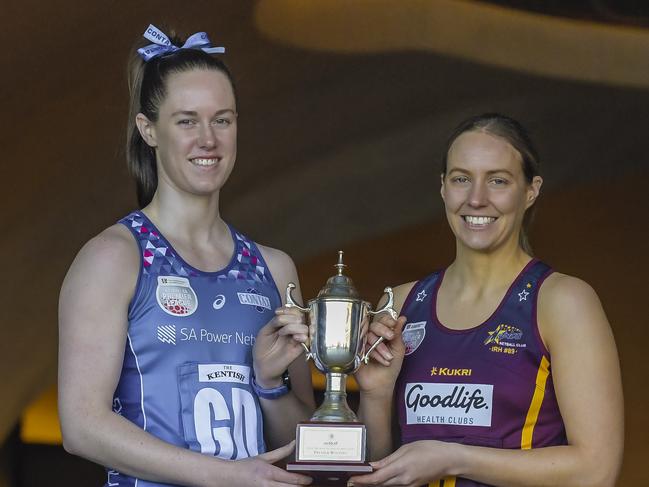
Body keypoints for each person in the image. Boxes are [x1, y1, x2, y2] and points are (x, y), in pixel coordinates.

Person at [58, 25, 314, 487]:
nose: (208, 139)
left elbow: (304, 442)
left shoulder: (274, 268)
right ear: (148, 130)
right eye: (186, 120)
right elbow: (81, 427)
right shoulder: (114, 258)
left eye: (222, 119)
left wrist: (269, 385)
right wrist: (225, 476)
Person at [352, 113, 624, 487]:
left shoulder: (562, 301)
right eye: (462, 179)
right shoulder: (399, 303)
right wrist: (375, 395)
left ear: (531, 190)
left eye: (498, 181)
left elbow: (597, 470)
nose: (476, 199)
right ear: (444, 188)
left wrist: (453, 457)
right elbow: (378, 471)